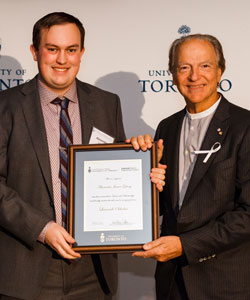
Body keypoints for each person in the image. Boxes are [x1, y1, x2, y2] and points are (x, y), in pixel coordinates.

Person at [0, 12, 165, 300]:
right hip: (28, 269)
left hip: (94, 272)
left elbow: (114, 178)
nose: (62, 59)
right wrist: (42, 228)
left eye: (71, 50)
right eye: (52, 49)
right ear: (34, 52)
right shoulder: (6, 106)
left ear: (81, 53)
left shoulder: (106, 103)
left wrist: (143, 170)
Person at [132, 34, 250, 300]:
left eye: (205, 66)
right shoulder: (167, 127)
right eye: (184, 67)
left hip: (224, 284)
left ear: (220, 71)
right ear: (172, 74)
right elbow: (167, 206)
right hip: (171, 281)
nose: (194, 76)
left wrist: (185, 245)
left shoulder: (245, 127)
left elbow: (248, 214)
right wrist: (142, 175)